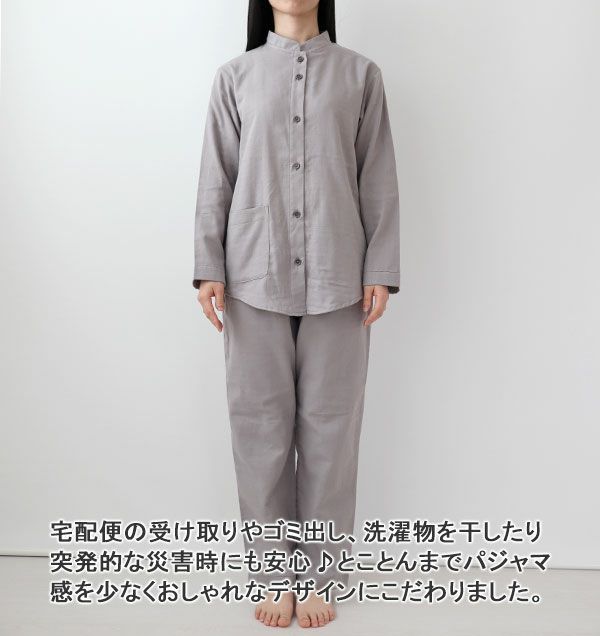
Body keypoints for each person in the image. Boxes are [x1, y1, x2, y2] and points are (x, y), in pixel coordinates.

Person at [193, 0, 400, 628]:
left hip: (341, 275)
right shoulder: (235, 77)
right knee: (258, 430)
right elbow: (217, 176)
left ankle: (321, 576)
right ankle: (271, 575)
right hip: (251, 274)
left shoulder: (361, 75)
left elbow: (377, 176)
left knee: (332, 432)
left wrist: (380, 268)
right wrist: (208, 265)